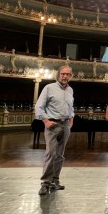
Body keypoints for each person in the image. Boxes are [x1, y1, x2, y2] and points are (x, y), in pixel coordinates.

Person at [35, 65, 74, 196]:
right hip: (52, 125)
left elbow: (70, 106)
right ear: (58, 75)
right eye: (63, 74)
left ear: (71, 76)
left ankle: (55, 181)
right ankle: (45, 183)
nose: (65, 76)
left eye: (68, 74)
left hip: (65, 125)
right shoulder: (49, 88)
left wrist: (71, 117)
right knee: (50, 153)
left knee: (59, 155)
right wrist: (45, 121)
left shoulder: (70, 90)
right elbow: (39, 107)